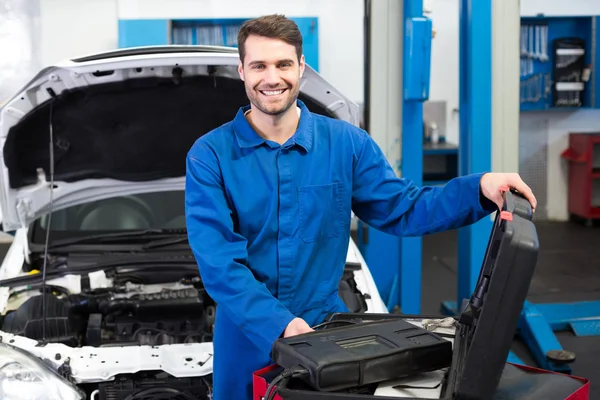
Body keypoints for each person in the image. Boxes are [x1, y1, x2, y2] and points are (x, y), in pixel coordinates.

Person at [184, 14, 536, 400]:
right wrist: (278, 324)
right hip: (246, 334)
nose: (272, 77)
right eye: (259, 66)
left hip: (326, 331)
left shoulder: (347, 144)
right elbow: (219, 261)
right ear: (242, 71)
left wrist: (479, 190)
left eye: (284, 64)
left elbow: (403, 207)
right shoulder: (210, 155)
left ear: (301, 66)